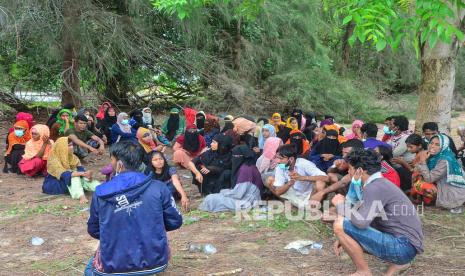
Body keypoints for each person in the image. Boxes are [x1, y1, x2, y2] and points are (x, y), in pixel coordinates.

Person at [85, 141, 182, 276]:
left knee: (89, 270)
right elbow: (175, 221)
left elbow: (94, 229)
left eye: (111, 159)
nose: (110, 163)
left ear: (119, 164)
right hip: (154, 260)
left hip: (114, 264)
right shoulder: (159, 187)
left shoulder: (101, 193)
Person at [332, 149, 423, 276]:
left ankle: (363, 271)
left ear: (359, 171)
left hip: (402, 247)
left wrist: (341, 206)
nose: (348, 171)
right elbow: (367, 219)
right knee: (344, 226)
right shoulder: (379, 183)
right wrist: (346, 236)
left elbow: (361, 222)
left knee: (339, 225)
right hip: (407, 246)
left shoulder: (374, 187)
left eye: (350, 168)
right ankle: (399, 263)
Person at [200, 145, 263, 212]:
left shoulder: (245, 170)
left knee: (210, 198)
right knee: (214, 197)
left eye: (235, 156)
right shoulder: (249, 166)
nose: (233, 158)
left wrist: (223, 192)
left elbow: (238, 194)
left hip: (247, 202)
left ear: (242, 157)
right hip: (250, 199)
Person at [416, 134, 465, 213]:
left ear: (443, 146)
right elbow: (418, 170)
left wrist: (423, 161)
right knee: (417, 179)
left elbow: (429, 179)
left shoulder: (445, 160)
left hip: (450, 193)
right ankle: (424, 199)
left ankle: (436, 202)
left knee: (423, 186)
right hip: (439, 184)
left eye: (437, 144)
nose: (432, 146)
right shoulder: (434, 156)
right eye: (431, 143)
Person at [42, 137, 100, 203]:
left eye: (72, 145)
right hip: (56, 184)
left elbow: (81, 171)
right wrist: (81, 174)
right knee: (74, 176)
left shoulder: (73, 158)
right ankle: (81, 196)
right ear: (61, 147)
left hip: (71, 181)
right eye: (69, 145)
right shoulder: (53, 160)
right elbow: (65, 175)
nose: (71, 147)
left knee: (83, 179)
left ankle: (101, 189)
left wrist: (87, 174)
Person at [311, 139, 365, 203]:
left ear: (356, 153)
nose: (343, 156)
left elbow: (344, 182)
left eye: (346, 153)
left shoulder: (361, 164)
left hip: (358, 197)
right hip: (347, 190)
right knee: (320, 182)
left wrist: (322, 192)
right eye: (343, 152)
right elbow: (329, 172)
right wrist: (335, 166)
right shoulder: (345, 160)